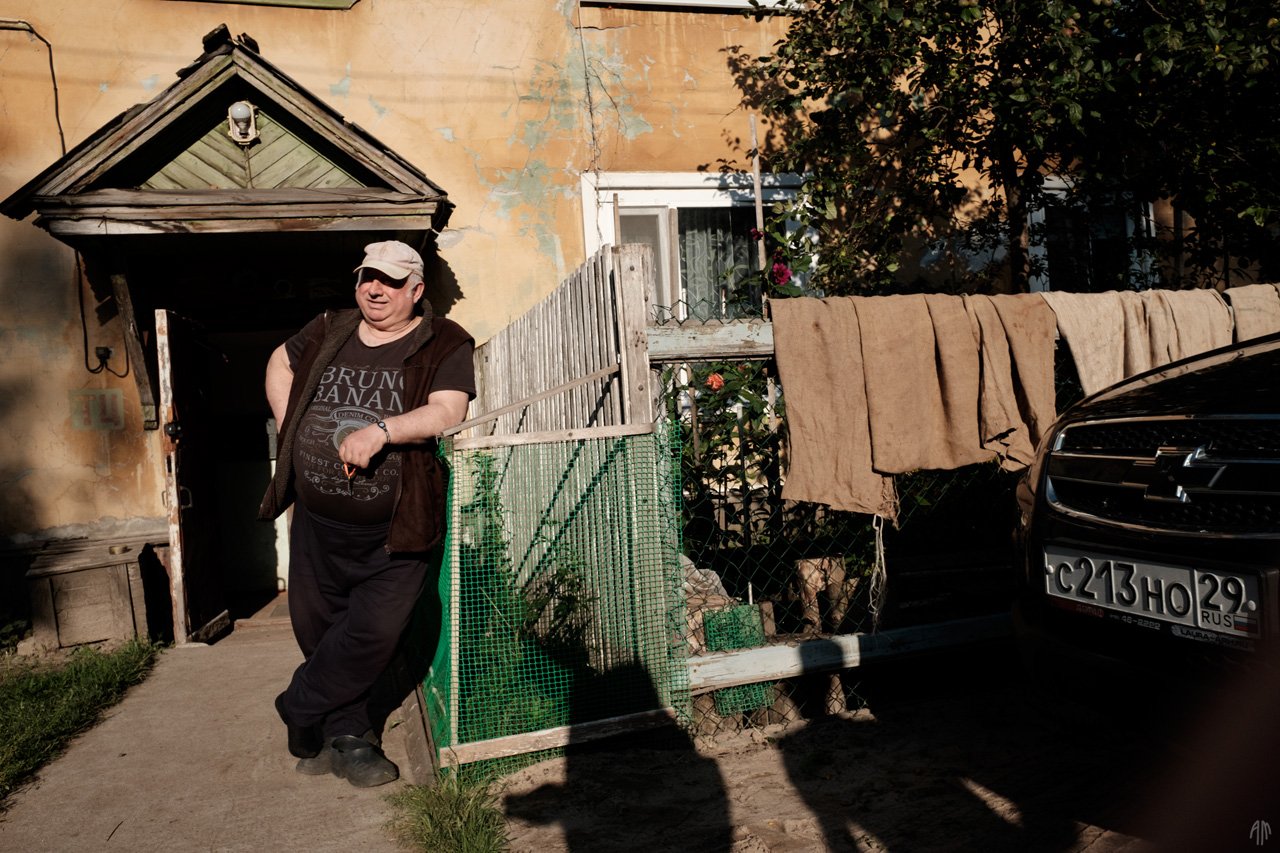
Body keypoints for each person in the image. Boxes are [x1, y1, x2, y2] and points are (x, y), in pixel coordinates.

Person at [259, 240, 475, 787]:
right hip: (317, 523)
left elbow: (448, 410)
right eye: (367, 278)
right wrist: (290, 427)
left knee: (374, 632)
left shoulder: (444, 339)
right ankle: (350, 736)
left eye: (391, 281)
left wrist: (382, 431)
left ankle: (299, 704)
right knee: (319, 629)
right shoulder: (329, 327)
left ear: (416, 290)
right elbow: (279, 361)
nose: (376, 289)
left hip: (395, 527)